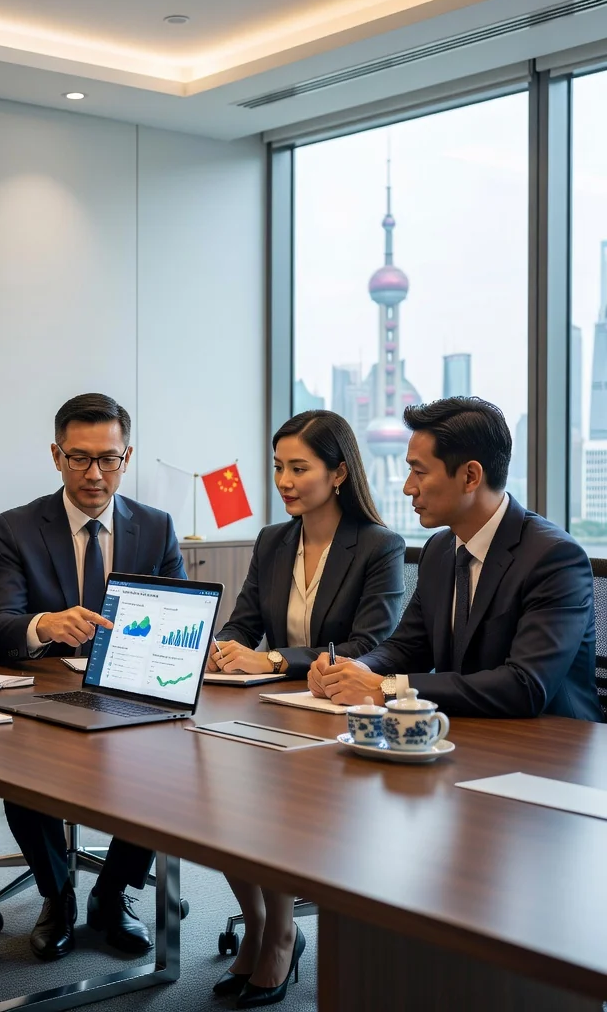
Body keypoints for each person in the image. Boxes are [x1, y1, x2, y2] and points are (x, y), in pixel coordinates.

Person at [208, 409, 404, 1009]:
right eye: (278, 468)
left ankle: (281, 934)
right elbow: (244, 622)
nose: (284, 481)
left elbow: (370, 644)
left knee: (272, 805)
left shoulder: (379, 546)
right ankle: (259, 923)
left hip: (340, 717)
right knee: (217, 799)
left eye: (299, 468)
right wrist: (225, 649)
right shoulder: (273, 540)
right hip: (274, 709)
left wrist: (272, 660)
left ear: (339, 473)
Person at [0, 393, 184, 961]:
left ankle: (111, 893)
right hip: (47, 697)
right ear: (56, 456)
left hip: (130, 691)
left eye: (109, 459)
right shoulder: (16, 528)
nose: (95, 474)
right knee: (18, 768)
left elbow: (178, 617)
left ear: (127, 457)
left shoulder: (156, 527)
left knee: (169, 764)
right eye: (79, 458)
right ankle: (58, 893)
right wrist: (43, 624)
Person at [308, 396, 603, 723]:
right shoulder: (439, 550)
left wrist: (389, 688)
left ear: (471, 476)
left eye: (419, 472)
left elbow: (525, 686)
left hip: (553, 741)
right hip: (464, 731)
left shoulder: (553, 558)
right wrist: (356, 670)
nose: (408, 487)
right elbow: (407, 647)